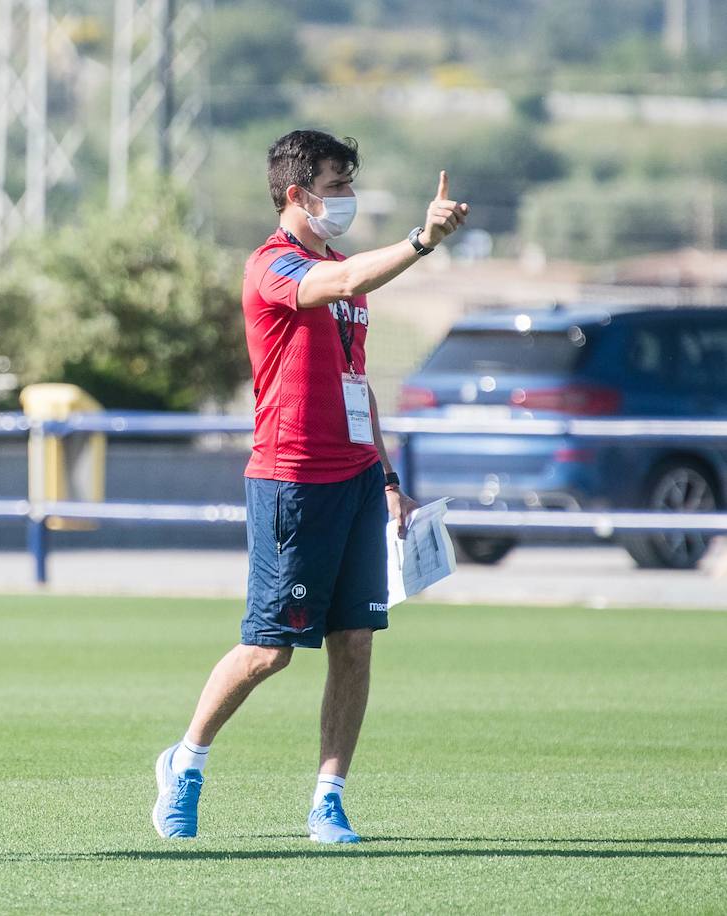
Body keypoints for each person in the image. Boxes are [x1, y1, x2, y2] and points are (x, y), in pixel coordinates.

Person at [152, 129, 469, 843]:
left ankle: (328, 799)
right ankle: (185, 761)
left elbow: (357, 383)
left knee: (354, 643)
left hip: (356, 480)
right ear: (295, 194)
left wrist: (388, 477)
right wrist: (422, 241)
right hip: (290, 480)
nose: (347, 198)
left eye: (349, 183)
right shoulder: (274, 266)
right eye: (335, 185)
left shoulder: (344, 274)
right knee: (271, 649)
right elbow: (348, 281)